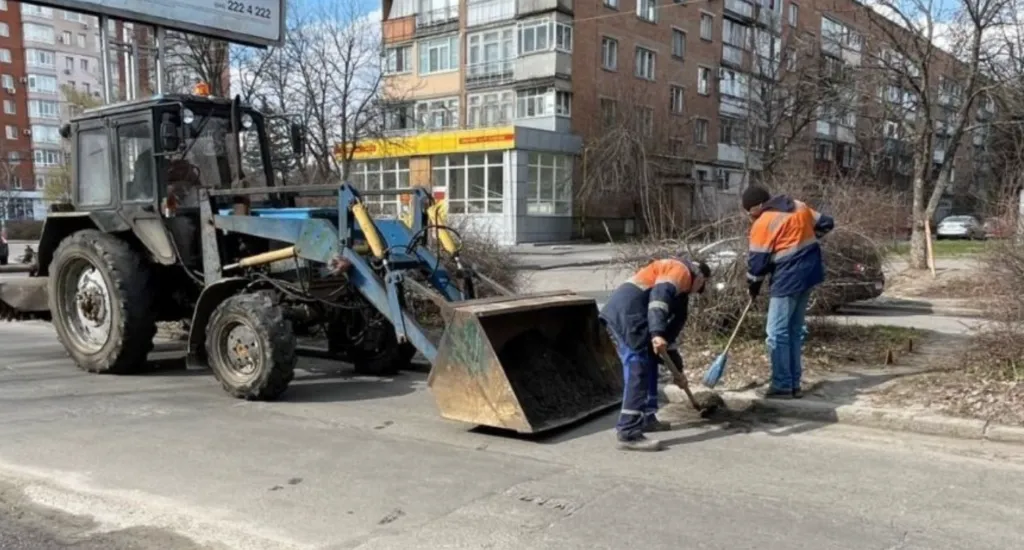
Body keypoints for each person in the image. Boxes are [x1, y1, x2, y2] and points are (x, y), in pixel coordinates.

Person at [600, 257, 711, 452]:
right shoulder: (681, 271)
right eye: (702, 285)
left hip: (639, 316)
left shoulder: (682, 295)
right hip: (628, 315)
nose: (699, 290)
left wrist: (679, 370)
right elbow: (658, 300)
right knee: (638, 368)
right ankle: (628, 431)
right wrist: (657, 333)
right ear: (700, 277)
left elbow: (671, 336)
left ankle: (647, 418)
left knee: (650, 362)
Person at [742, 186, 834, 399]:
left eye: (749, 211)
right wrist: (807, 241)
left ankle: (782, 385)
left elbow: (757, 264)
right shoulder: (799, 206)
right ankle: (793, 383)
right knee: (793, 331)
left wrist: (753, 287)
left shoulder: (763, 223)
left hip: (788, 279)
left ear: (757, 207)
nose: (749, 216)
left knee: (776, 333)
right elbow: (827, 223)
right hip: (810, 274)